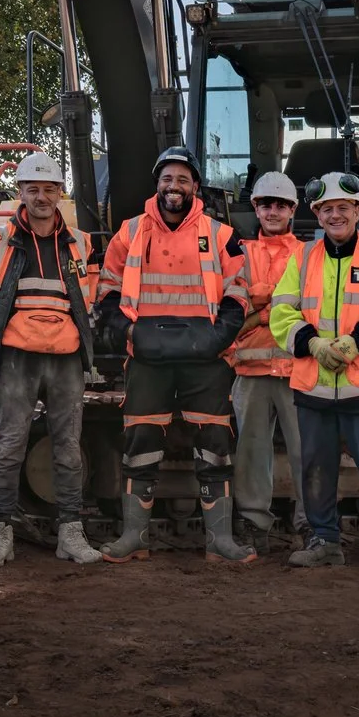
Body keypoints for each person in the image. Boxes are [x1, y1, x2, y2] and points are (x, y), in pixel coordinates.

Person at [94, 145, 255, 564]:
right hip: (147, 358)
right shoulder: (129, 232)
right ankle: (134, 537)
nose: (174, 186)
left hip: (206, 360)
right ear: (157, 183)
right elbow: (107, 291)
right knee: (140, 441)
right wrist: (129, 333)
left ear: (196, 187)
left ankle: (219, 541)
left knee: (215, 444)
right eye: (167, 178)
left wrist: (218, 339)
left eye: (183, 179)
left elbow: (239, 291)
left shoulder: (221, 235)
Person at [270, 170, 359, 581]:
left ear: (358, 209)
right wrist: (313, 343)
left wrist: (353, 344)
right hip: (315, 387)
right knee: (316, 468)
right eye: (327, 208)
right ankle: (324, 541)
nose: (336, 215)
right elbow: (282, 310)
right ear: (317, 214)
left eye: (343, 208)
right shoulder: (302, 258)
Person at [0, 152, 102, 568]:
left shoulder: (81, 243)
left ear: (60, 193)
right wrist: (14, 337)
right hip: (18, 357)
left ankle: (71, 534)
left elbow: (91, 298)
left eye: (49, 189)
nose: (42, 197)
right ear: (20, 193)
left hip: (65, 358)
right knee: (10, 446)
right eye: (33, 189)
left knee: (67, 448)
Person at [224, 169, 304, 551]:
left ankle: (312, 524)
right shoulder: (239, 253)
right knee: (251, 451)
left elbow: (310, 306)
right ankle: (254, 521)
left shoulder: (309, 255)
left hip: (298, 370)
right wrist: (275, 306)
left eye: (281, 205)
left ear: (292, 210)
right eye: (266, 204)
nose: (273, 211)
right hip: (251, 370)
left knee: (308, 449)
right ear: (256, 208)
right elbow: (231, 309)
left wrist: (262, 304)